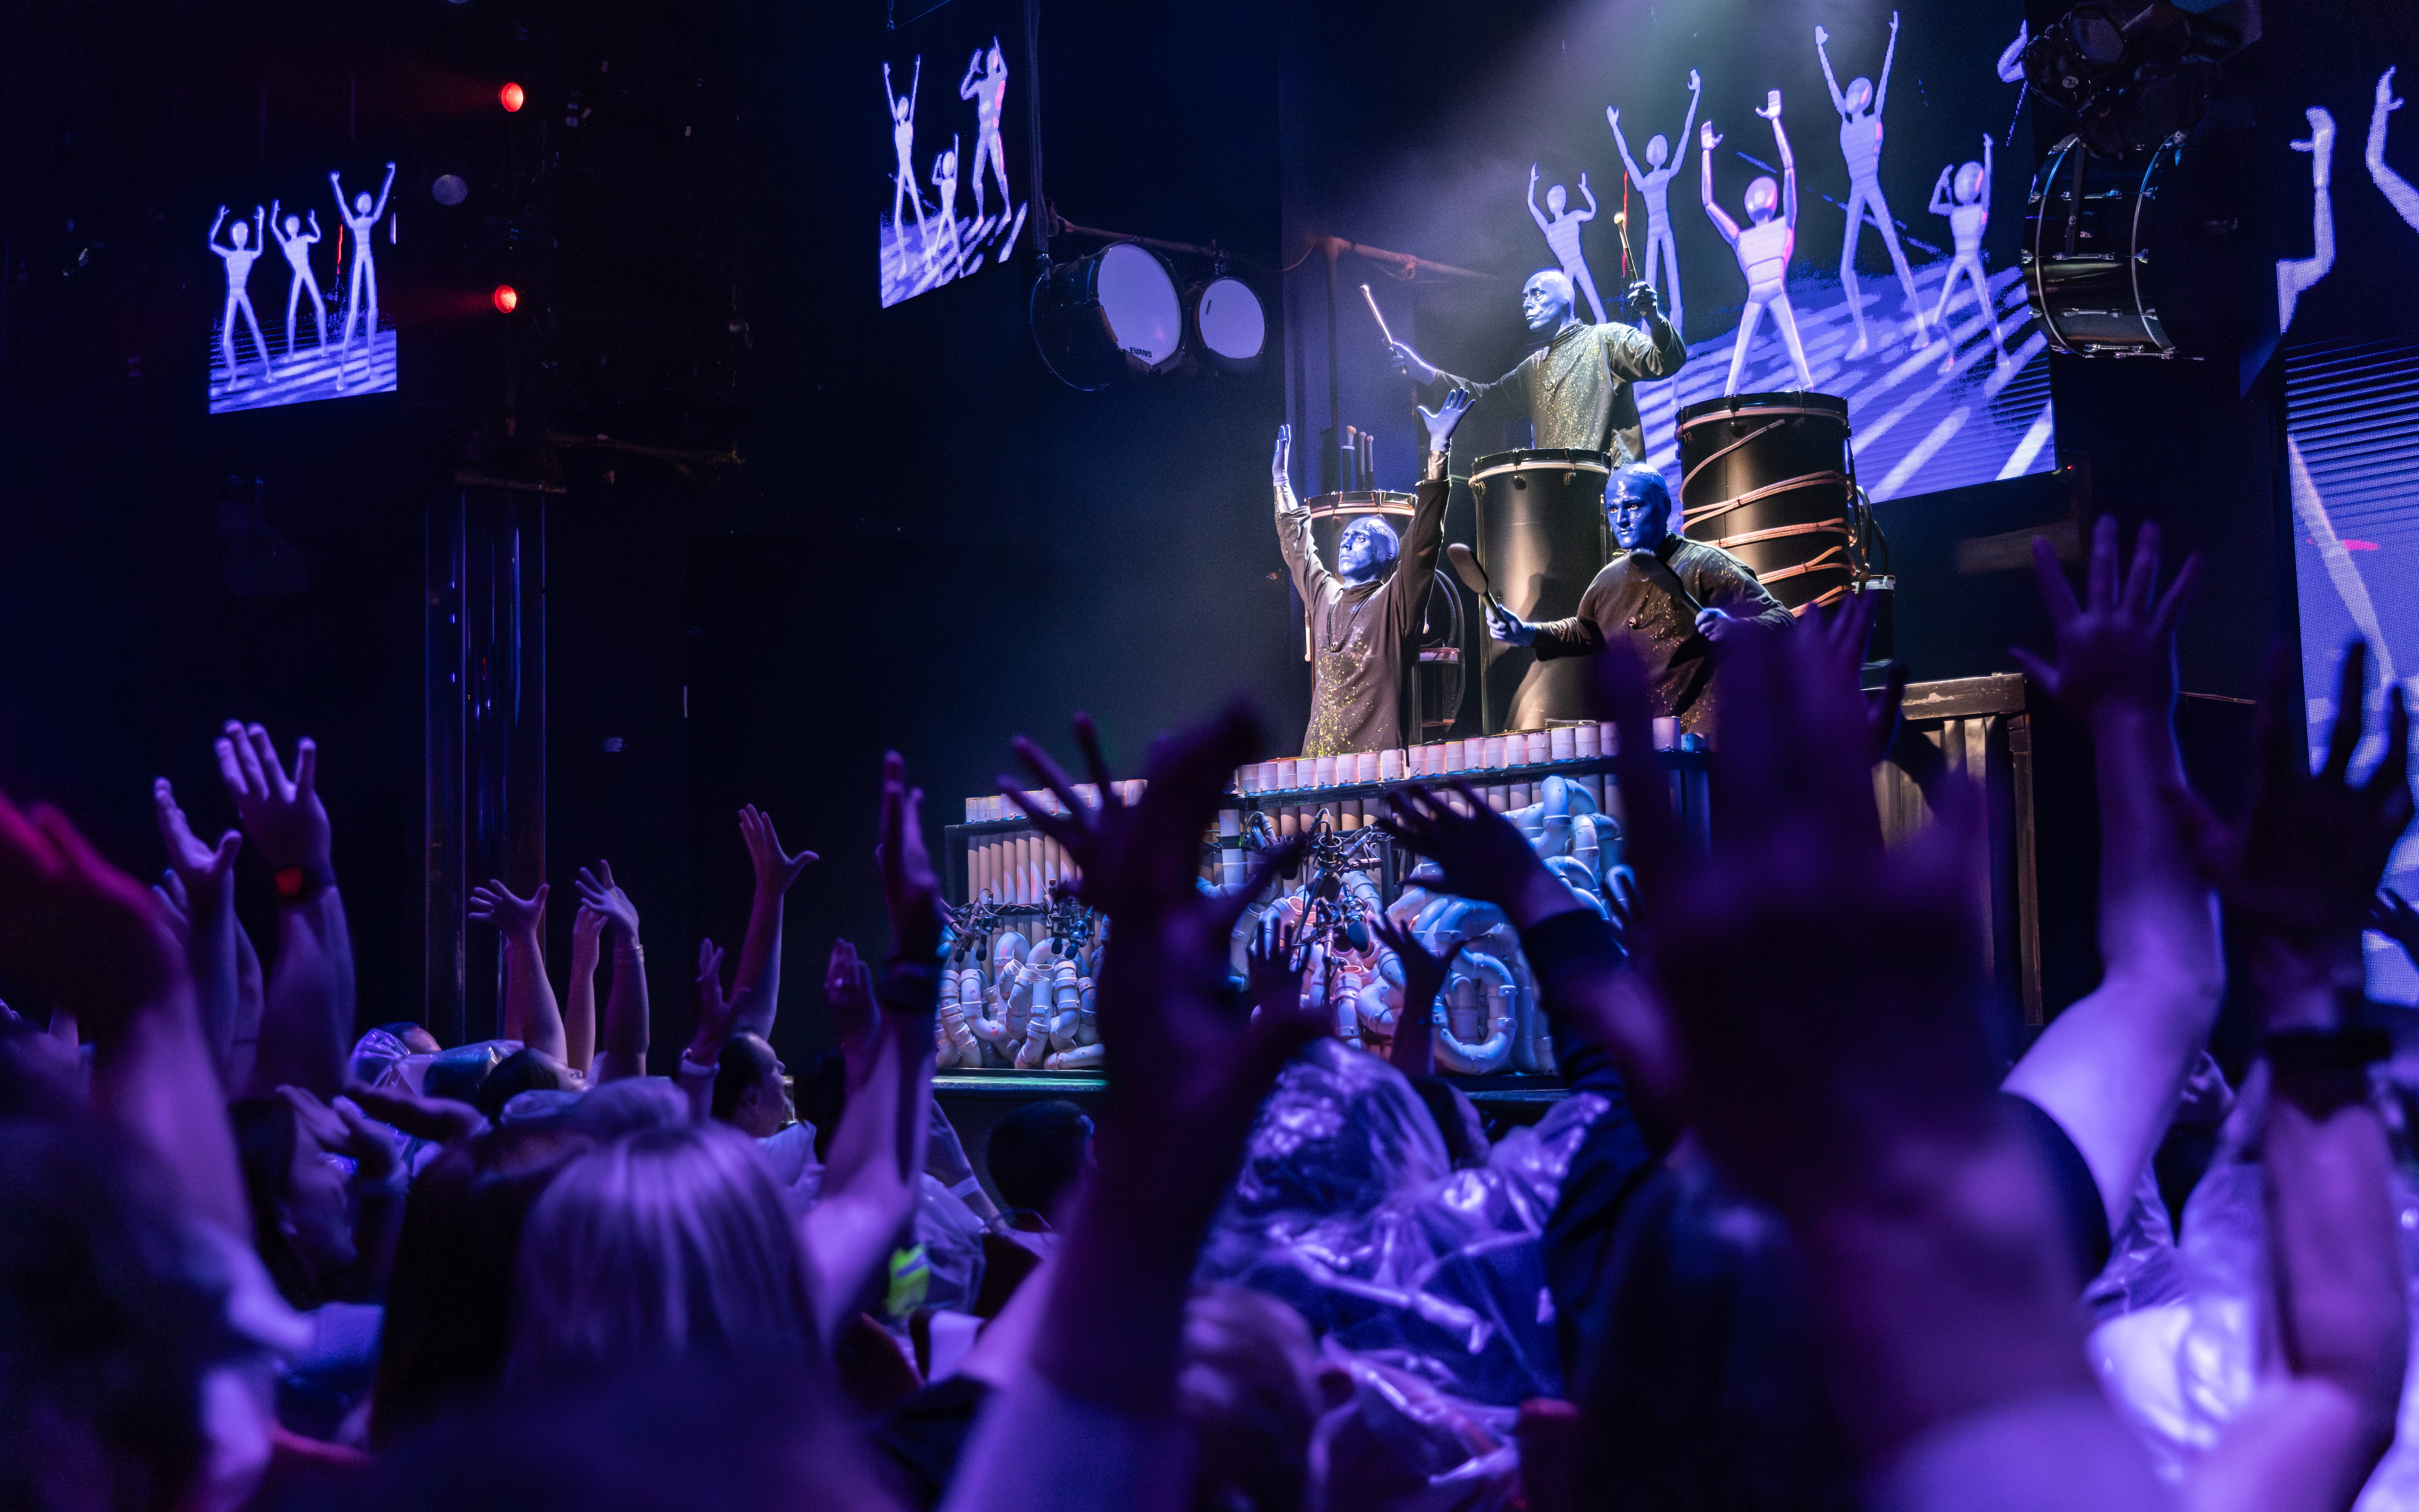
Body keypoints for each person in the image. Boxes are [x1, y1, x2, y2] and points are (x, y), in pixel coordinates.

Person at [1485, 462, 1791, 736]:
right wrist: (1527, 633)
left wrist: (1736, 628)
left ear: (1664, 507)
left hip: (1708, 742)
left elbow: (1784, 621)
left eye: (1633, 506)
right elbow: (1584, 632)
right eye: (1614, 509)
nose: (1622, 520)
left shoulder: (1706, 565)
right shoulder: (1609, 579)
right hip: (1644, 744)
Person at [1271, 390, 1471, 756]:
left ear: (1385, 554)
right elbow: (1297, 547)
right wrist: (1281, 481)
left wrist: (1439, 449)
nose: (1346, 543)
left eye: (1360, 537)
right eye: (1346, 537)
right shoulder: (1326, 597)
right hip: (1318, 768)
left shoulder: (1395, 602)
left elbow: (1424, 541)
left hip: (1374, 771)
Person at [1388, 268, 1684, 469]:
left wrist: (1655, 318)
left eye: (1538, 294)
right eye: (1525, 298)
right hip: (1562, 493)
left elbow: (1665, 360)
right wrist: (1425, 373)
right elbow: (1488, 399)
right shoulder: (1535, 366)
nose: (1528, 304)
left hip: (1615, 490)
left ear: (1566, 298)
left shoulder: (1606, 339)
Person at [1817, 13, 1929, 358]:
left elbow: (1885, 75)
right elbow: (1831, 82)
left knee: (1896, 253)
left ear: (1864, 99)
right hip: (1856, 189)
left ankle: (1923, 326)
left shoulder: (1875, 114)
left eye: (1858, 93)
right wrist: (1819, 48)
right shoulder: (1842, 114)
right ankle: (1862, 335)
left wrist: (1893, 35)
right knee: (1844, 267)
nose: (1852, 96)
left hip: (1871, 187)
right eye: (1851, 93)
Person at [1701, 94, 1815, 395]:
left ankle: (1807, 388)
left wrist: (1776, 121)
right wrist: (1706, 152)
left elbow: (1790, 170)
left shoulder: (1784, 225)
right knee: (1739, 358)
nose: (1757, 197)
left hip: (1774, 290)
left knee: (1793, 346)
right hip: (1756, 295)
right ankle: (1728, 398)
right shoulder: (1741, 237)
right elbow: (1708, 203)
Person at [1607, 70, 1702, 338]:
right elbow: (1626, 156)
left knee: (1668, 284)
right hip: (1656, 230)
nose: (1657, 151)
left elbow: (1686, 134)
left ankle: (1673, 333)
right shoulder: (1649, 180)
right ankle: (1647, 334)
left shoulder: (1657, 177)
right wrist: (1615, 127)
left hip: (1662, 229)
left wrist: (1697, 95)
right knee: (1651, 281)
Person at [1927, 134, 2007, 379]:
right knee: (1938, 315)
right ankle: (1951, 353)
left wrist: (1988, 149)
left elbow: (1990, 178)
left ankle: (2001, 352)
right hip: (1959, 260)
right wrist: (1941, 183)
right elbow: (1932, 207)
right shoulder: (1955, 210)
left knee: (1986, 308)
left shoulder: (1981, 209)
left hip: (1973, 260)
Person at [329, 161, 397, 381]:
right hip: (360, 261)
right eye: (364, 201)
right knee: (353, 311)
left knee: (373, 310)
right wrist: (336, 184)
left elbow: (384, 196)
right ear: (359, 205)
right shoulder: (354, 221)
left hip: (369, 261)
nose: (368, 203)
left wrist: (392, 173)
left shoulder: (371, 218)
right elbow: (342, 205)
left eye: (369, 201)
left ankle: (369, 366)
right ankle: (342, 371)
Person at [1527, 164, 1606, 324]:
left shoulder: (1573, 216)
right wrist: (1532, 182)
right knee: (1568, 302)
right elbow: (1532, 205)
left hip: (1579, 261)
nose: (1555, 201)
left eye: (1558, 197)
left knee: (1591, 295)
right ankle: (1572, 326)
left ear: (1563, 200)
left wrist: (1585, 189)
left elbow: (1592, 213)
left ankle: (1602, 321)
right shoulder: (1550, 229)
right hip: (1568, 267)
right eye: (1552, 198)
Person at [208, 205, 272, 391]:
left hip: (242, 293)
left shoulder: (249, 255)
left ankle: (269, 370)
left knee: (255, 331)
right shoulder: (229, 254)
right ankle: (234, 378)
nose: (241, 236)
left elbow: (260, 248)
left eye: (244, 232)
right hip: (233, 295)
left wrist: (260, 223)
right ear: (233, 236)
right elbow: (211, 242)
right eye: (237, 233)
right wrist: (219, 219)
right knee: (227, 338)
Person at [959, 39, 1012, 227]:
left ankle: (1008, 209)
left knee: (1000, 173)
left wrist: (998, 46)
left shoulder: (999, 79)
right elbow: (964, 94)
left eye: (994, 59)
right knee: (975, 179)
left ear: (997, 62)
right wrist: (972, 72)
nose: (991, 61)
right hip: (983, 135)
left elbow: (1005, 73)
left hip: (994, 133)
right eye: (989, 59)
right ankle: (980, 216)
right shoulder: (982, 84)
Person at [268, 201, 326, 363]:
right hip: (298, 273)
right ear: (286, 228)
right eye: (289, 224)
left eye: (295, 223)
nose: (293, 225)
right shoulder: (286, 243)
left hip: (307, 271)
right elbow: (273, 226)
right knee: (292, 311)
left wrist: (313, 221)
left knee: (320, 307)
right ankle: (291, 352)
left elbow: (318, 238)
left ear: (299, 225)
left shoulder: (304, 238)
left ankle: (324, 347)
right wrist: (274, 211)